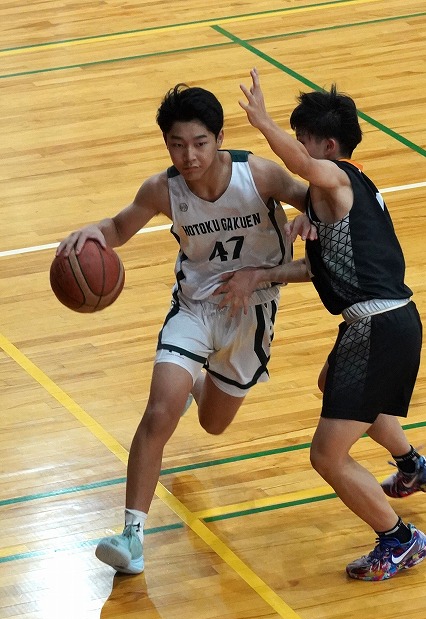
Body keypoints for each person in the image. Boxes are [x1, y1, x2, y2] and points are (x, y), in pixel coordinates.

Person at [57, 82, 311, 574]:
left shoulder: (258, 175)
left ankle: (198, 381)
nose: (188, 156)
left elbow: (317, 199)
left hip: (251, 312)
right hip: (194, 308)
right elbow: (119, 227)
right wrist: (94, 232)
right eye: (177, 144)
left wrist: (310, 223)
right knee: (159, 412)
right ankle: (132, 536)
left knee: (213, 423)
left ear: (219, 138)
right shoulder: (162, 189)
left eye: (199, 143)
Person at [215, 68, 426, 581]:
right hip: (383, 322)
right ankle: (413, 465)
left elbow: (305, 165)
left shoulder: (339, 177)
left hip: (379, 326)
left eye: (304, 138)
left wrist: (263, 123)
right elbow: (316, 269)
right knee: (332, 383)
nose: (301, 149)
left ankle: (399, 540)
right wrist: (259, 275)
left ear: (329, 147)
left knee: (326, 456)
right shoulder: (342, 198)